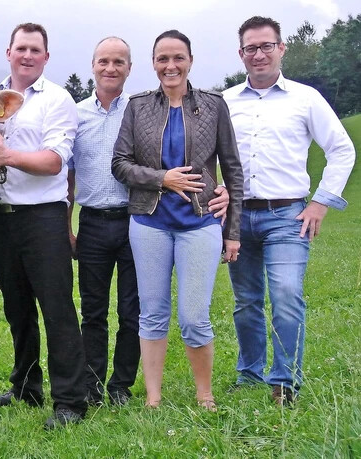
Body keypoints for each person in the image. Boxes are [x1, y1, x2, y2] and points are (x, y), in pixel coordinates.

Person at [68, 36, 231, 407]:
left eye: (119, 62)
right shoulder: (78, 114)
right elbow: (71, 173)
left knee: (135, 309)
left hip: (137, 216)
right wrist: (66, 225)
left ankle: (121, 387)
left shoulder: (142, 107)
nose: (110, 68)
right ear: (93, 65)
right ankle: (92, 386)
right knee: (93, 310)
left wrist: (220, 192)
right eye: (103, 61)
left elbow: (216, 160)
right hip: (99, 221)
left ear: (130, 67)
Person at [223, 16, 356, 406]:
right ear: (241, 53)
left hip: (287, 216)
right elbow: (206, 151)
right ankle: (250, 374)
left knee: (285, 294)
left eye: (267, 46)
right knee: (246, 301)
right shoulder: (225, 102)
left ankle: (284, 382)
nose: (259, 54)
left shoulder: (305, 98)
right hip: (237, 217)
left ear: (281, 48)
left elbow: (341, 149)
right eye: (251, 48)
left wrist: (321, 201)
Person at [111, 30, 243, 410]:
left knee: (194, 316)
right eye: (162, 59)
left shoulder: (214, 106)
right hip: (149, 223)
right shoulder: (137, 107)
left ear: (190, 61)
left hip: (200, 223)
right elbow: (119, 164)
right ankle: (153, 397)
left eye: (178, 58)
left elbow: (232, 169)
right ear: (153, 63)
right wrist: (162, 179)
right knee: (152, 312)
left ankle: (205, 393)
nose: (170, 66)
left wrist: (232, 231)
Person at [0, 22, 87, 429]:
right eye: (20, 48)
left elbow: (55, 161)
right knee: (17, 309)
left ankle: (70, 402)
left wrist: (4, 155)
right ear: (9, 52)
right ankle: (26, 387)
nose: (27, 55)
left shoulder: (57, 100)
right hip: (2, 219)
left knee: (57, 310)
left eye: (35, 50)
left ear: (46, 57)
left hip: (44, 218)